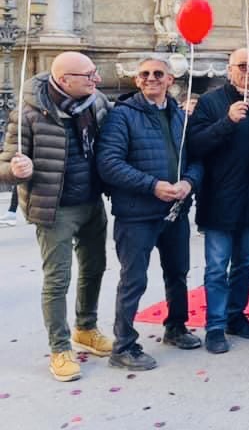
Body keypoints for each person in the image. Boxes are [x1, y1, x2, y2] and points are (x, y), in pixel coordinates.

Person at [0, 52, 112, 381]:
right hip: (55, 208)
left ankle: (86, 328)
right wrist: (18, 170)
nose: (97, 80)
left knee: (94, 269)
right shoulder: (29, 113)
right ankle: (60, 348)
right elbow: (4, 166)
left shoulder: (97, 103)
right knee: (57, 280)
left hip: (92, 202)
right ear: (64, 80)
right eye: (89, 75)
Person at [97, 57, 204, 371]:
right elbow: (110, 163)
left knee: (178, 272)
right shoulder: (122, 116)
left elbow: (196, 160)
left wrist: (188, 182)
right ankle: (124, 346)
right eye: (144, 74)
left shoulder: (179, 117)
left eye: (158, 73)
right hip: (137, 214)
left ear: (170, 80)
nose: (151, 78)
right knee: (133, 280)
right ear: (137, 81)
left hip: (175, 211)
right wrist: (152, 185)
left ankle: (176, 327)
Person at [187, 49, 249, 353]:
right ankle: (214, 326)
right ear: (229, 70)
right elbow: (196, 145)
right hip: (219, 197)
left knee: (244, 263)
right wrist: (227, 121)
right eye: (243, 66)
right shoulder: (211, 102)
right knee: (216, 266)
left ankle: (235, 315)